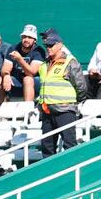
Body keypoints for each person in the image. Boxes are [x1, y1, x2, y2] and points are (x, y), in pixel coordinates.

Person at [37, 28, 87, 158]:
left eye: (51, 45)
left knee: (69, 145)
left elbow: (81, 86)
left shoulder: (70, 62)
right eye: (46, 45)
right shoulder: (44, 65)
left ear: (60, 45)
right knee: (47, 148)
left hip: (64, 110)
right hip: (47, 111)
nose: (48, 48)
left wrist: (74, 102)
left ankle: (73, 175)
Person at [0, 24, 45, 104]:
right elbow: (5, 68)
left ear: (35, 40)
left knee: (28, 79)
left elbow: (31, 73)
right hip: (17, 81)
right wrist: (6, 75)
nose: (26, 39)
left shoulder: (38, 51)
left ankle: (27, 111)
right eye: (24, 37)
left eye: (29, 37)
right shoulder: (13, 48)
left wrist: (20, 59)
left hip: (35, 83)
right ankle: (0, 111)